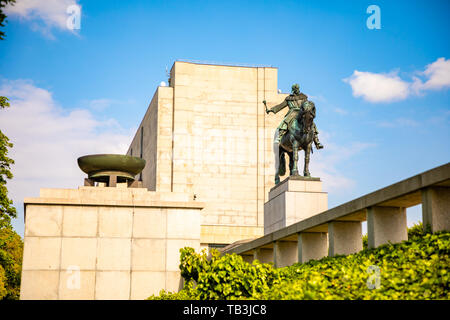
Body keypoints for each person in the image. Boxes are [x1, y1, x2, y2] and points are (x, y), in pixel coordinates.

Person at [264, 84, 323, 149]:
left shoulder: (303, 97)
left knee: (310, 122)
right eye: (295, 89)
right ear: (293, 90)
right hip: (292, 113)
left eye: (297, 89)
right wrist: (271, 109)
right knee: (285, 121)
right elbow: (280, 106)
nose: (296, 90)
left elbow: (307, 106)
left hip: (301, 112)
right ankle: (279, 136)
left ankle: (316, 140)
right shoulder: (289, 98)